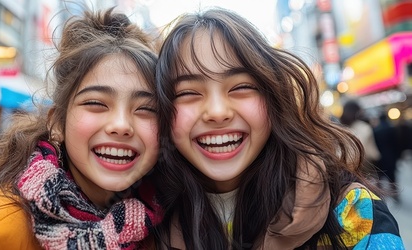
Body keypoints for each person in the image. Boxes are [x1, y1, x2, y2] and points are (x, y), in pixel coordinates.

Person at [153, 7, 404, 249]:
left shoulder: (351, 211)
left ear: (273, 97)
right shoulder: (138, 226)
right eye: (187, 92)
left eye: (241, 87)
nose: (218, 112)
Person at [0, 8, 162, 250]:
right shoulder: (1, 229)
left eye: (145, 108)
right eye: (96, 103)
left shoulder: (175, 226)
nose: (121, 125)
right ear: (57, 123)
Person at [339, 100, 381, 177]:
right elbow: (370, 151)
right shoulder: (363, 127)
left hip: (346, 170)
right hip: (365, 168)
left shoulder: (340, 129)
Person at [373, 113, 401, 203]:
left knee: (380, 178)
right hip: (391, 156)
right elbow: (397, 143)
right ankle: (395, 194)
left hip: (379, 157)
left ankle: (379, 197)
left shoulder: (376, 130)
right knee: (392, 177)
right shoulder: (391, 129)